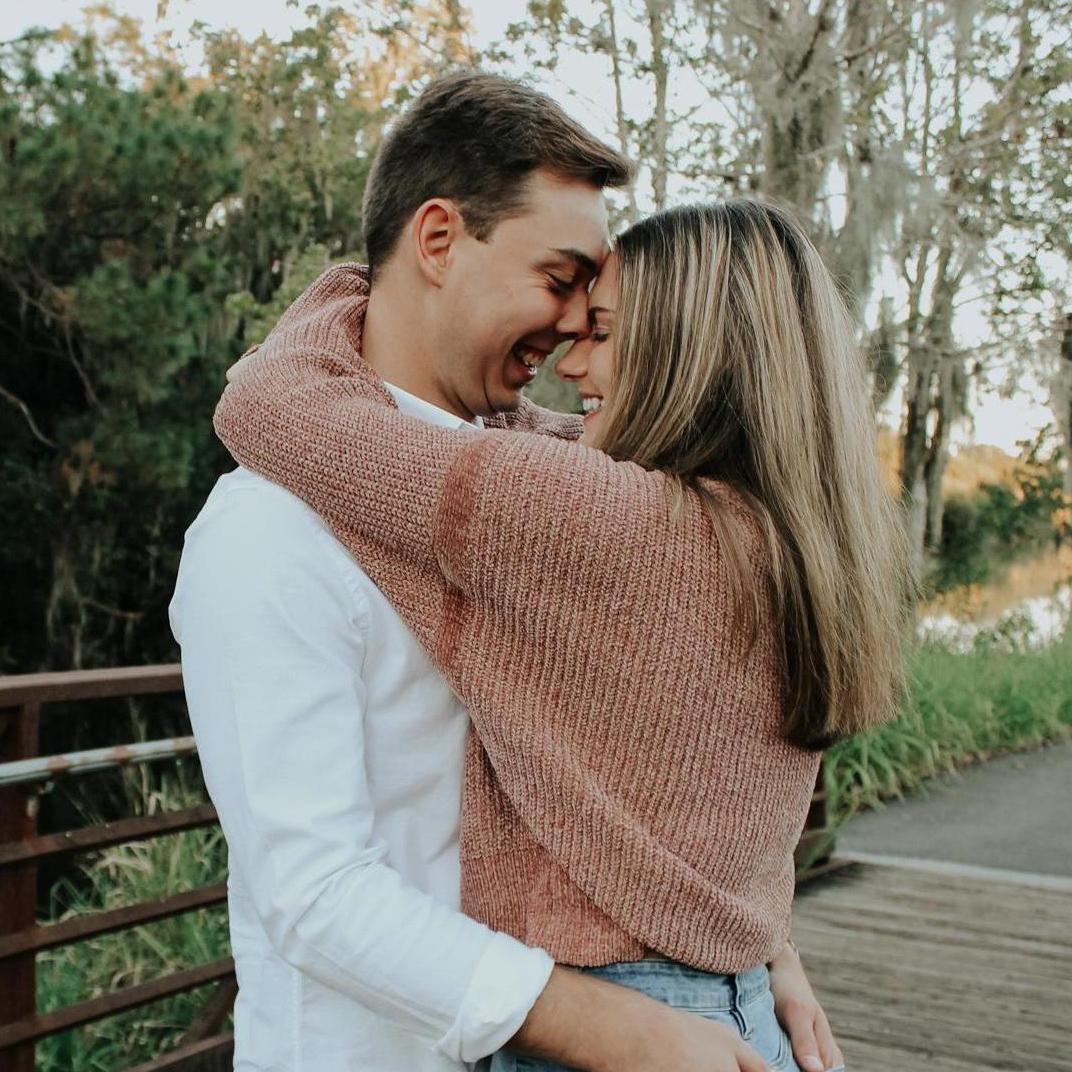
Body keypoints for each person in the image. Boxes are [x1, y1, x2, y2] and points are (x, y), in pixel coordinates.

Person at [171, 72, 830, 1072]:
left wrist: (755, 947)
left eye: (595, 310)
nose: (572, 333)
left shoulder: (564, 496)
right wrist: (626, 1022)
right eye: (561, 279)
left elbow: (650, 776)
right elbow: (311, 891)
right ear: (438, 240)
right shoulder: (269, 529)